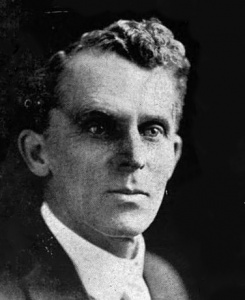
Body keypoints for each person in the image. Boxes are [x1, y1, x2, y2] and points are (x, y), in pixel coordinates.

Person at [0, 17, 190, 299]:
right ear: (38, 153)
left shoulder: (163, 282)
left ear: (173, 155)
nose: (134, 157)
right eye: (98, 127)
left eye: (152, 130)